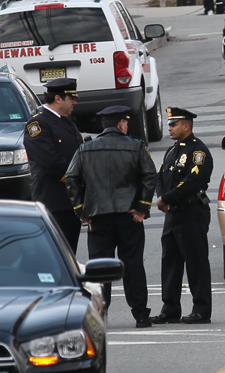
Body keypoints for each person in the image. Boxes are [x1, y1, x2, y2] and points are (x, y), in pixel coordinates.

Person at [64, 105, 157, 328]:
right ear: (121, 124)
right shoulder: (136, 147)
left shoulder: (86, 149)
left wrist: (81, 211)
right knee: (133, 265)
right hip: (129, 216)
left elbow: (70, 178)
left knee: (99, 269)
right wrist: (142, 208)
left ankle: (98, 315)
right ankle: (141, 315)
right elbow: (149, 176)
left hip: (98, 217)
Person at [151, 107, 213, 325]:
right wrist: (162, 197)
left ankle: (201, 309)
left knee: (195, 262)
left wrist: (166, 199)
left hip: (190, 212)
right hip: (172, 213)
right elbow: (160, 177)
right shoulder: (171, 151)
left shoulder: (198, 152)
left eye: (173, 124)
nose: (169, 128)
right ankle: (170, 309)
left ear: (186, 126)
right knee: (170, 262)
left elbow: (192, 182)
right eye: (169, 124)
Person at [23, 78, 83, 253]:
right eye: (71, 98)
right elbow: (49, 162)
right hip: (54, 201)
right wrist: (77, 177)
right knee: (55, 254)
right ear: (58, 99)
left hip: (71, 201)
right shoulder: (38, 124)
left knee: (69, 253)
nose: (75, 102)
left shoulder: (67, 122)